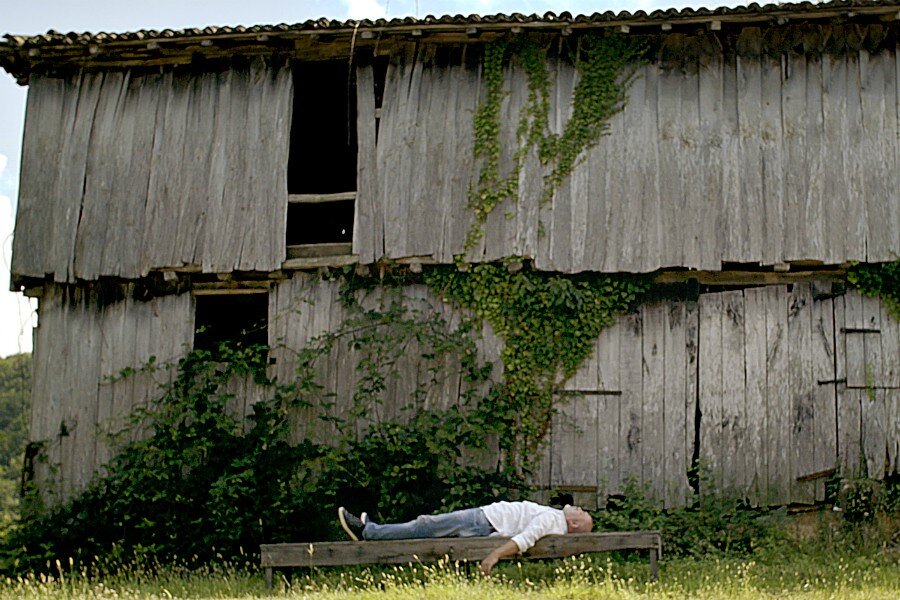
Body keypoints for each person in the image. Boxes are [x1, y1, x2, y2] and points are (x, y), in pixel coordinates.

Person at [337, 501, 593, 575]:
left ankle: (368, 531)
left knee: (425, 524)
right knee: (425, 527)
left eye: (581, 513)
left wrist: (494, 555)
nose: (579, 508)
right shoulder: (556, 517)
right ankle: (372, 530)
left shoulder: (552, 520)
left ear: (573, 523)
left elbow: (526, 538)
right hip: (484, 520)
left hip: (482, 521)